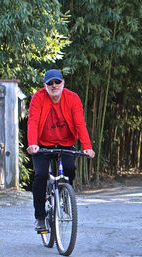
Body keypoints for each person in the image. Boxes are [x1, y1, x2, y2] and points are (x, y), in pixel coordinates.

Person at [26, 69, 95, 231]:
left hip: (65, 143)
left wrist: (87, 147)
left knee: (70, 168)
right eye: (50, 83)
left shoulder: (72, 98)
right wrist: (33, 143)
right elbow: (33, 121)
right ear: (45, 85)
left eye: (57, 82)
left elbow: (80, 124)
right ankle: (40, 217)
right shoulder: (38, 97)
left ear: (63, 83)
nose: (54, 85)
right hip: (42, 144)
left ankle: (65, 195)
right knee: (41, 175)